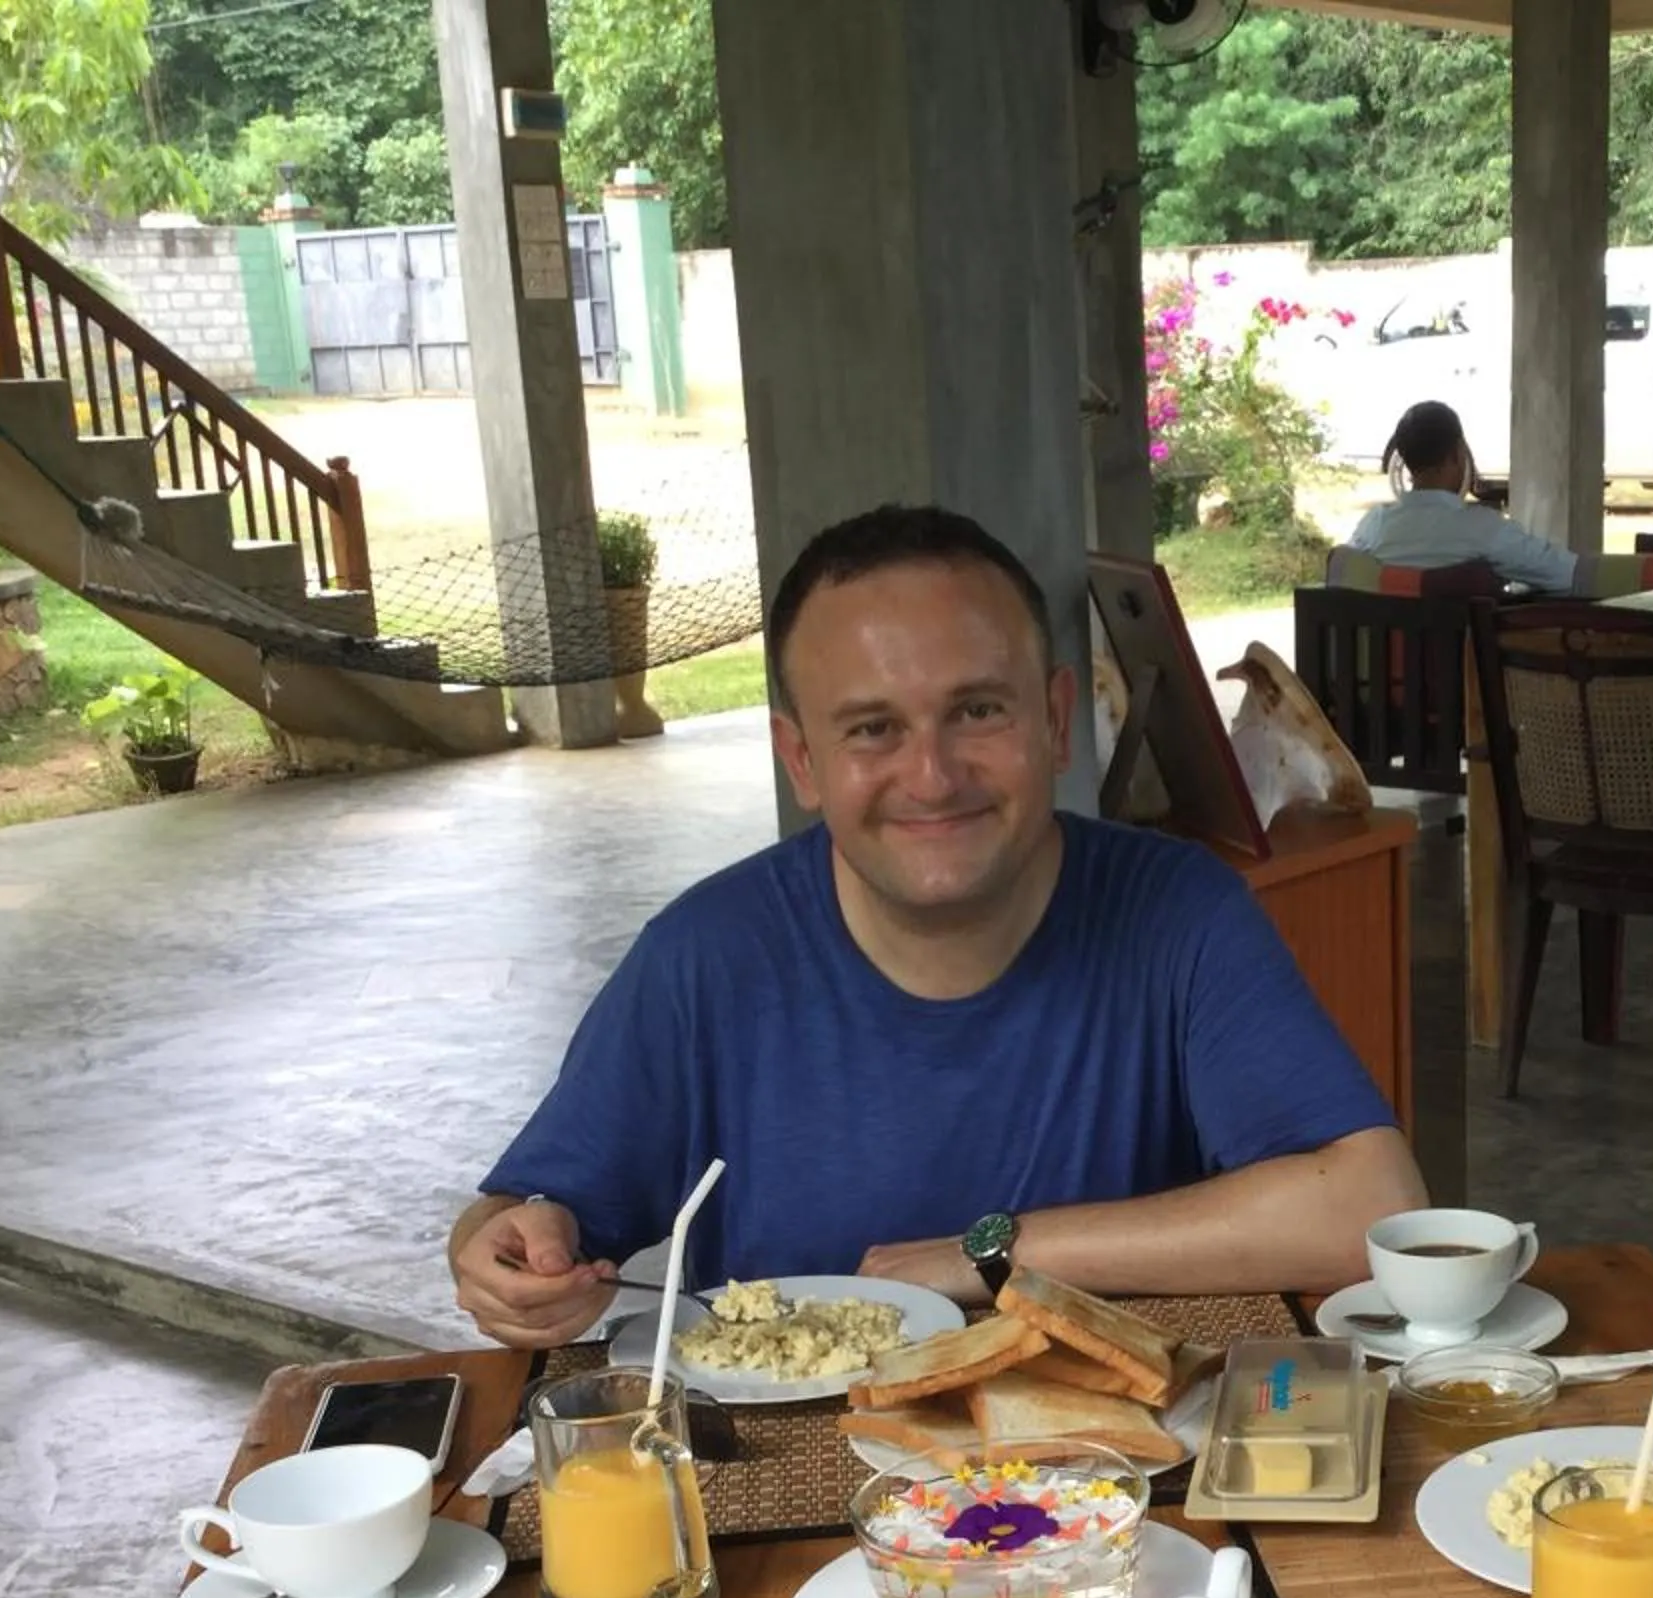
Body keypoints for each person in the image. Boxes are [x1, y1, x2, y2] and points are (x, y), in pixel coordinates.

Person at [448, 502, 1425, 1348]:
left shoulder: (1179, 915)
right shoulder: (706, 961)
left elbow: (1370, 1205)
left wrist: (987, 1254)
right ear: (801, 760)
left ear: (1054, 721)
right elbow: (534, 1215)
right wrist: (505, 1250)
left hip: (1111, 1483)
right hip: (798, 1500)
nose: (931, 776)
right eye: (873, 729)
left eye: (977, 711)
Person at [1345, 401, 1587, 594]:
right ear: (1458, 454)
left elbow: (1341, 573)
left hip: (1389, 655)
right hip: (1463, 656)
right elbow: (1568, 575)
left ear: (1405, 460)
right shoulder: (1485, 529)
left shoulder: (1373, 527)